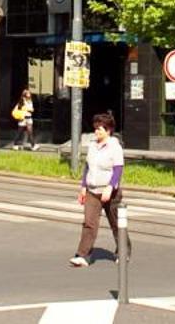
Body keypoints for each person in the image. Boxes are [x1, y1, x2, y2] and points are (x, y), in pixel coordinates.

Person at [70, 112, 125, 267]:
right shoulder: (93, 146)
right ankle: (83, 255)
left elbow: (118, 169)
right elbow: (88, 167)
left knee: (116, 223)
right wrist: (83, 187)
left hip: (109, 192)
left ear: (108, 130)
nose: (96, 132)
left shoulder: (115, 147)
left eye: (100, 129)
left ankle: (123, 251)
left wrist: (110, 187)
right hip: (92, 191)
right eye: (95, 129)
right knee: (89, 223)